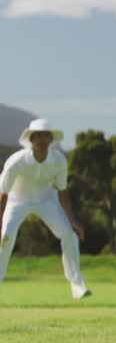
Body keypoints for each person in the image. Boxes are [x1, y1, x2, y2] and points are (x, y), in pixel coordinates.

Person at [0, 118, 91, 299]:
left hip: (47, 201)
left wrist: (73, 221)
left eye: (46, 136)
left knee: (69, 235)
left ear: (51, 140)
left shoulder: (59, 161)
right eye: (38, 136)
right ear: (31, 139)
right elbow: (3, 194)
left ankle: (77, 286)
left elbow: (63, 192)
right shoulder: (16, 161)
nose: (42, 140)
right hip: (16, 201)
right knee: (5, 238)